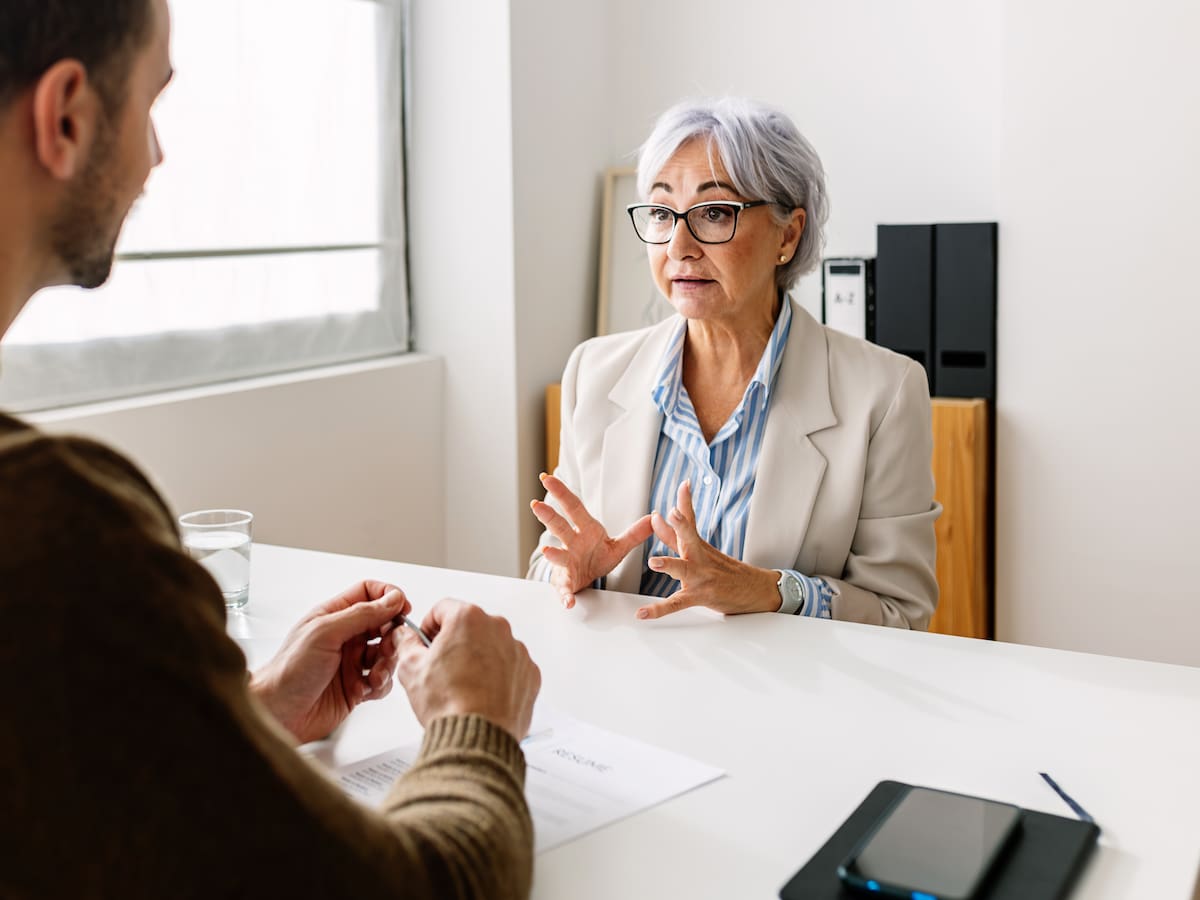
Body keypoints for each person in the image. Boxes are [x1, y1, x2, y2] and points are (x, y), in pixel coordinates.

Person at [0, 1, 541, 897]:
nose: (156, 158)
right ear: (65, 115)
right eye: (152, 103)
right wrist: (476, 721)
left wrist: (237, 717)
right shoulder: (54, 527)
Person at [528, 98, 939, 629]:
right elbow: (547, 566)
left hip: (792, 700)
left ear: (787, 236)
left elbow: (901, 612)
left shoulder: (884, 393)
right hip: (626, 693)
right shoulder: (595, 370)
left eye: (715, 213)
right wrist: (575, 575)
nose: (679, 245)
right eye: (661, 212)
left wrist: (771, 591)